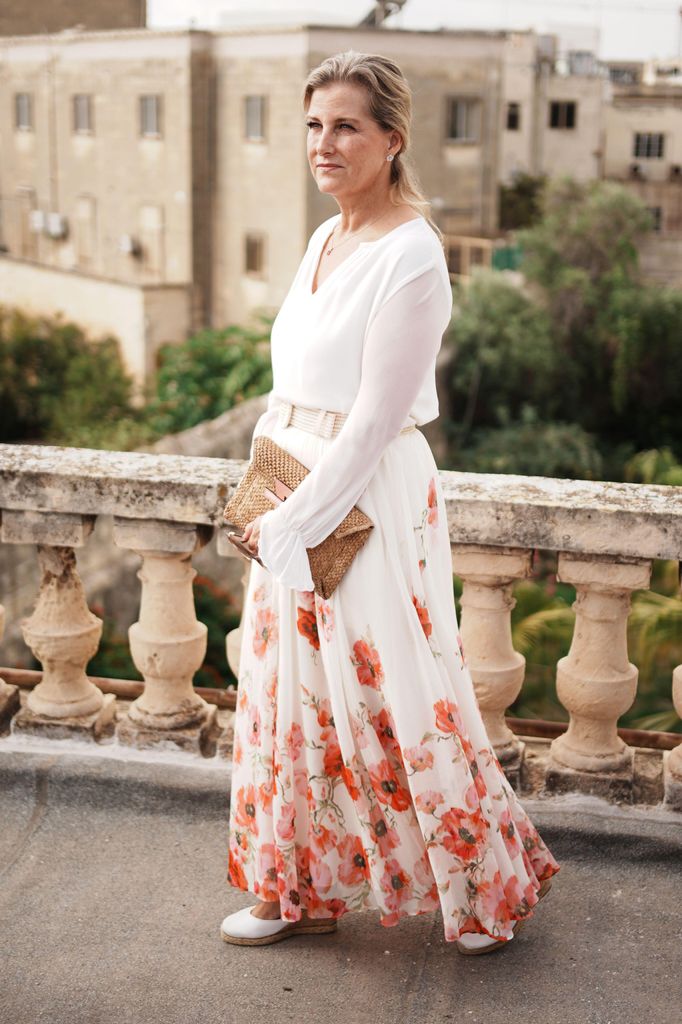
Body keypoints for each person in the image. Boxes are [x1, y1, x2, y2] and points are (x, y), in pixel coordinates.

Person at [220, 50, 560, 954]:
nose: (323, 143)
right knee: (288, 695)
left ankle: (482, 892)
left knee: (394, 686)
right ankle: (295, 889)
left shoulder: (413, 253)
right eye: (313, 125)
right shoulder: (324, 238)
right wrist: (265, 491)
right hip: (290, 483)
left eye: (345, 127)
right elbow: (293, 384)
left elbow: (372, 421)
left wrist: (295, 523)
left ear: (392, 139)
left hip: (362, 495)